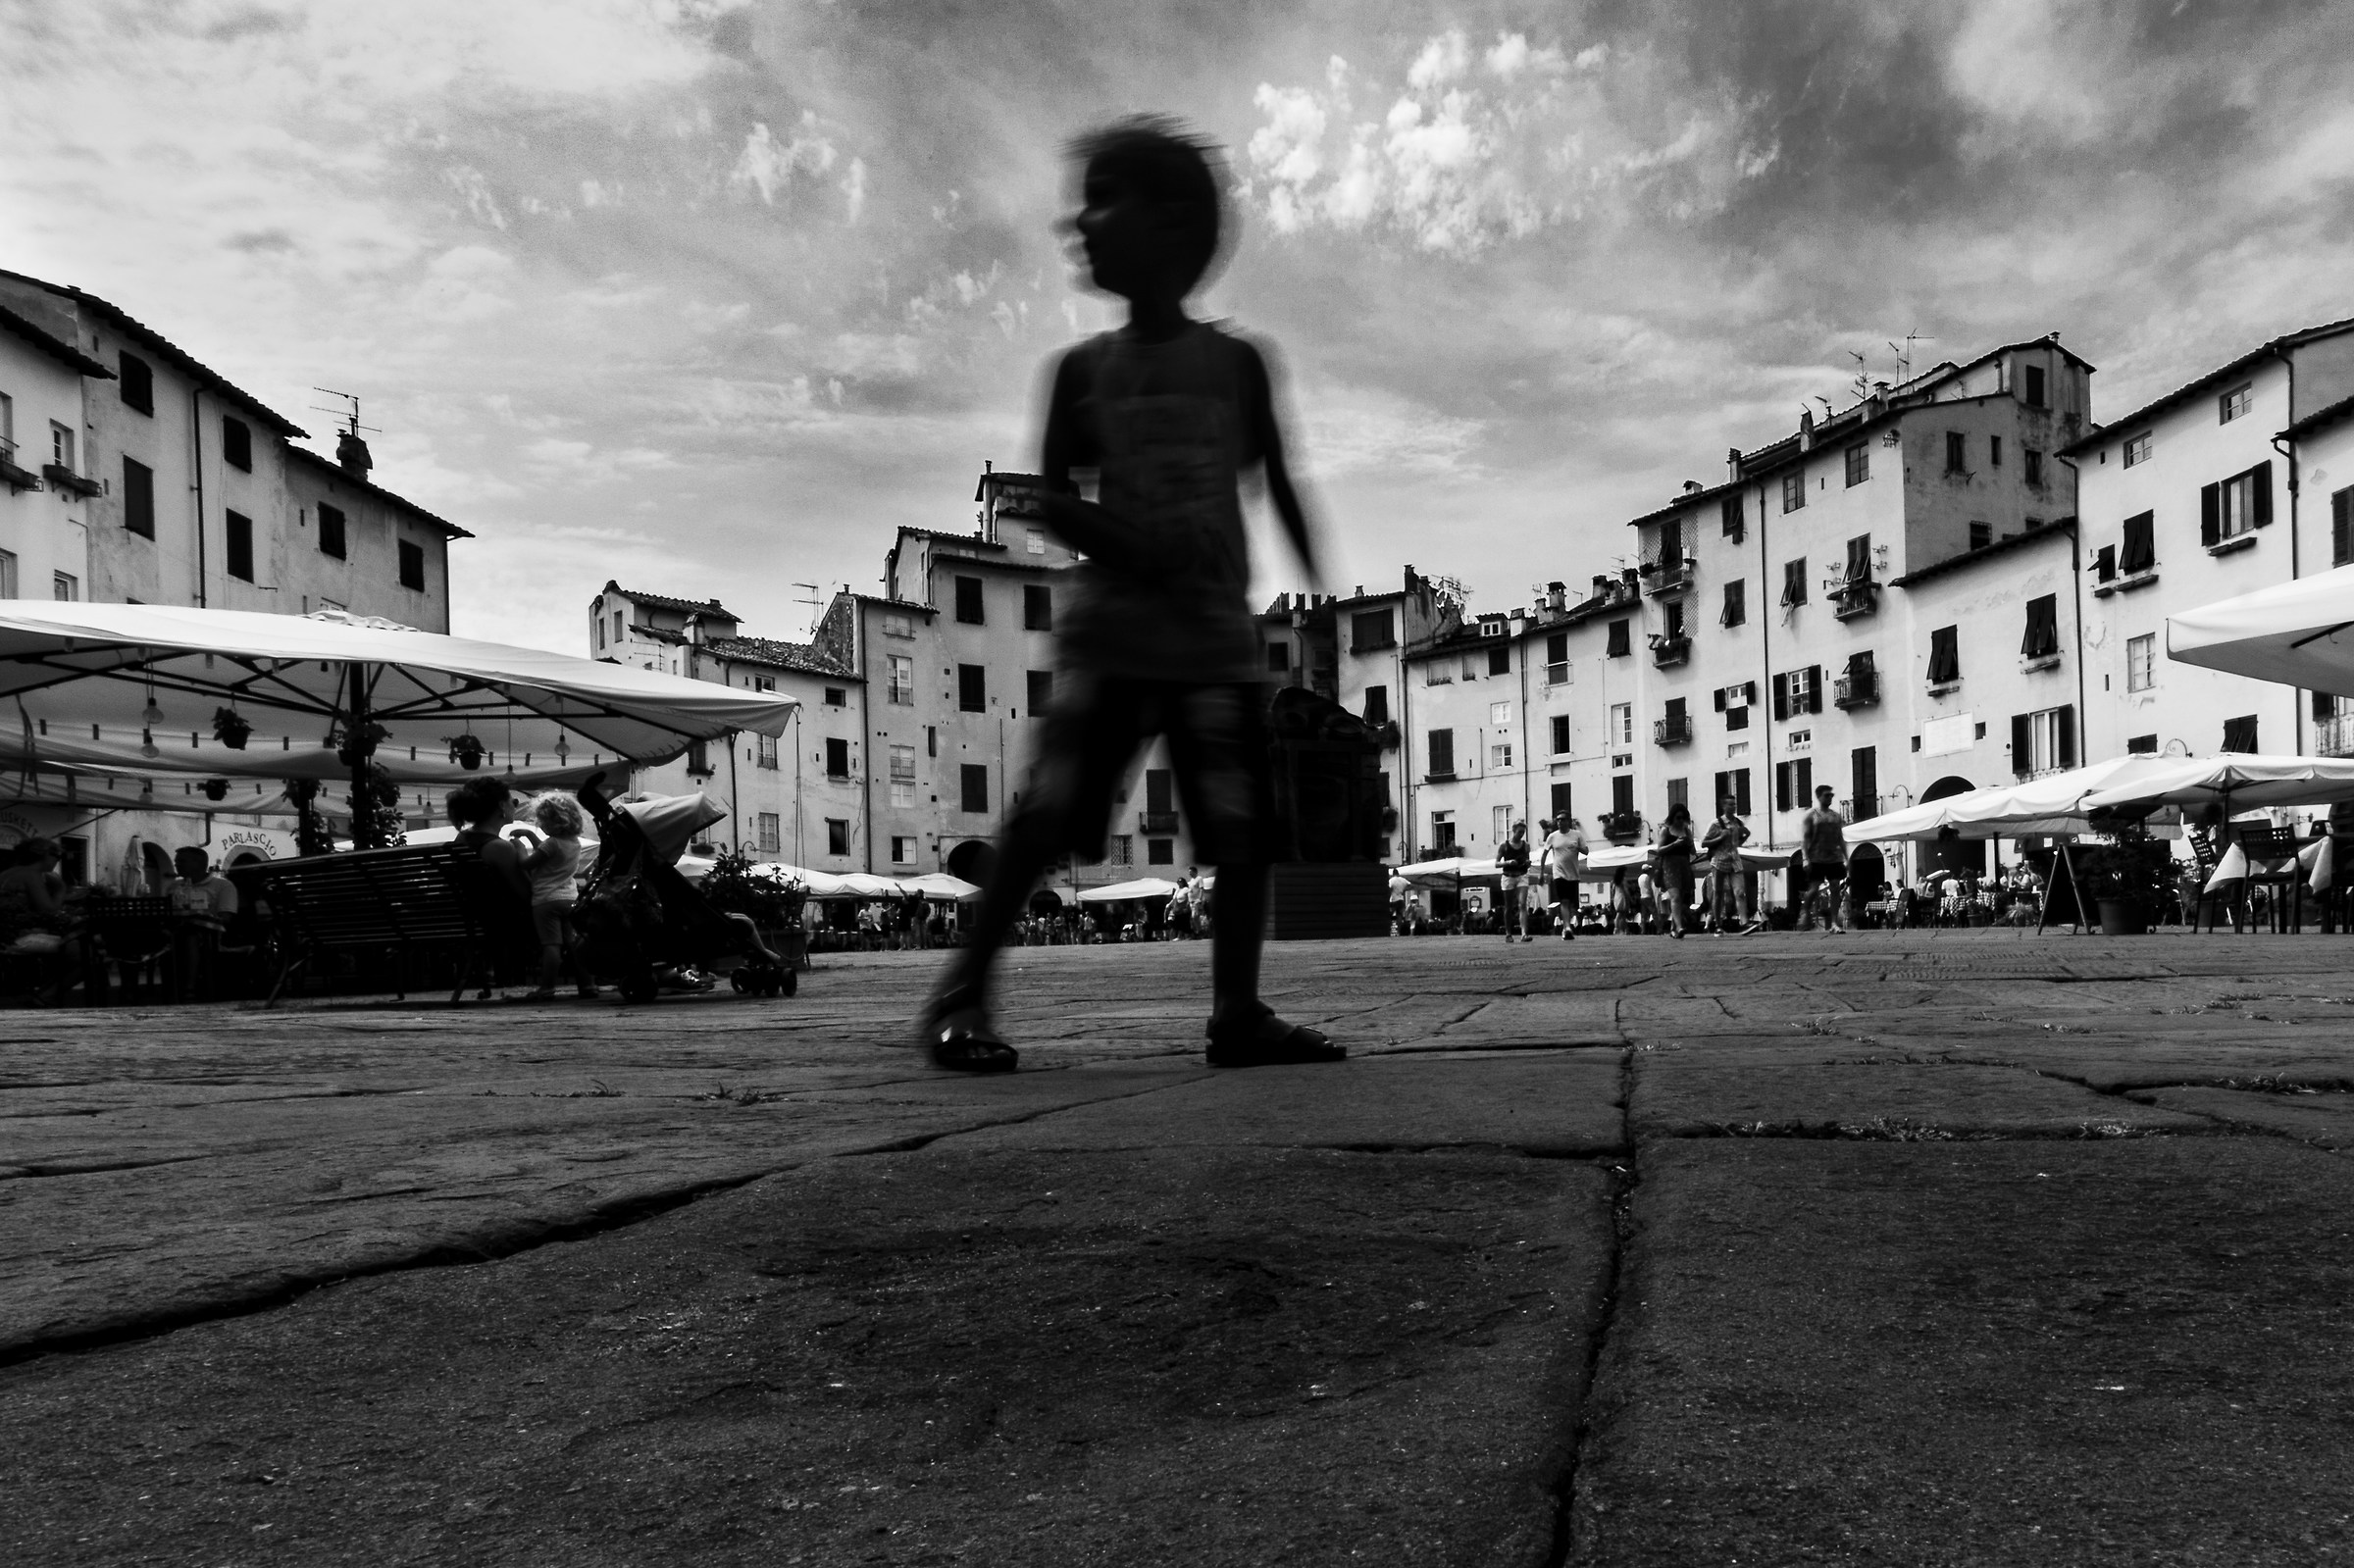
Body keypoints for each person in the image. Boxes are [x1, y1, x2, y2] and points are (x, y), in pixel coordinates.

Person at [918, 118, 1343, 1073]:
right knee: (1051, 818)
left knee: (1239, 827)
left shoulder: (1238, 365)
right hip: (1114, 638)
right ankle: (960, 993)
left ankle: (1237, 1011)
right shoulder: (1079, 373)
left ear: (1176, 224)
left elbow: (1278, 476)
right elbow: (1055, 502)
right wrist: (1141, 547)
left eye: (1104, 198)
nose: (1080, 221)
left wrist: (1318, 595)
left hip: (1215, 640)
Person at [518, 791, 597, 1000]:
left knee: (551, 945)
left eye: (542, 821)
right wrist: (530, 836)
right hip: (570, 899)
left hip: (546, 900)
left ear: (552, 822)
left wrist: (518, 847)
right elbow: (547, 853)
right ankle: (587, 985)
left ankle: (547, 988)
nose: (540, 825)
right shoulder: (574, 843)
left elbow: (527, 863)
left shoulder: (552, 843)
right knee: (574, 945)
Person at [1801, 784, 1850, 933]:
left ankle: (1834, 923)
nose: (1830, 798)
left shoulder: (1836, 817)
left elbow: (1840, 838)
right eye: (1827, 795)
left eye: (1831, 795)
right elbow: (1805, 839)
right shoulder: (1811, 816)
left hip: (1834, 857)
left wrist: (1847, 858)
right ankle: (1805, 911)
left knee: (1835, 887)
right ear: (1819, 797)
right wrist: (1805, 858)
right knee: (1814, 889)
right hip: (1816, 857)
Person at [1700, 802, 1753, 936]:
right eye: (1729, 804)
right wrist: (1720, 838)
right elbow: (1704, 843)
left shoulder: (1738, 823)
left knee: (1740, 892)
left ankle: (1744, 923)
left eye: (1734, 804)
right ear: (1724, 807)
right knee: (1718, 894)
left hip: (1735, 860)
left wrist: (1740, 841)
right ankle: (1718, 925)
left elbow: (1744, 835)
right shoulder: (1716, 824)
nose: (1733, 807)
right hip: (1719, 860)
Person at [1540, 816, 1587, 941]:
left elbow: (1586, 851)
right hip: (1558, 873)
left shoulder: (1577, 835)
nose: (1560, 822)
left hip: (1573, 874)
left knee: (1571, 903)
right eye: (1558, 820)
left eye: (1562, 819)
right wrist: (1541, 873)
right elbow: (1544, 855)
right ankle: (1567, 928)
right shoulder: (1553, 836)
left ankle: (1565, 927)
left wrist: (1577, 848)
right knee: (1564, 901)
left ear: (1568, 821)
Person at [1655, 802, 1697, 938]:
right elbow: (1659, 851)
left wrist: (1690, 843)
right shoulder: (1665, 830)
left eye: (1683, 818)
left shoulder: (1687, 831)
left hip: (1684, 866)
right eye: (1678, 817)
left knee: (1681, 899)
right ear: (1672, 817)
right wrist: (1674, 844)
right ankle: (1679, 927)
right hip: (1670, 866)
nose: (1680, 820)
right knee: (1676, 897)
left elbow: (1693, 851)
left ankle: (1673, 929)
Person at [1495, 820, 1533, 942]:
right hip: (1508, 876)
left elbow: (1527, 863)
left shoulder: (1526, 846)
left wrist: (1527, 863)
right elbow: (1496, 863)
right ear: (1513, 831)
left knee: (1522, 904)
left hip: (1522, 875)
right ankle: (1508, 933)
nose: (1521, 834)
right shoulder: (1504, 846)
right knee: (1509, 906)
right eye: (1519, 832)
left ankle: (1524, 933)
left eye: (1523, 832)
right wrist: (1508, 862)